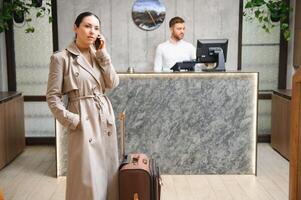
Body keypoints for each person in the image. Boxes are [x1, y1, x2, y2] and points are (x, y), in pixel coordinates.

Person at [46, 12, 119, 200]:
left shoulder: (99, 56)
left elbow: (112, 83)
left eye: (96, 28)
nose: (92, 31)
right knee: (86, 175)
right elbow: (52, 97)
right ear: (75, 28)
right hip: (83, 119)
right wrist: (73, 120)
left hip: (104, 117)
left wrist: (104, 54)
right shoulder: (61, 58)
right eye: (87, 26)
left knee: (108, 170)